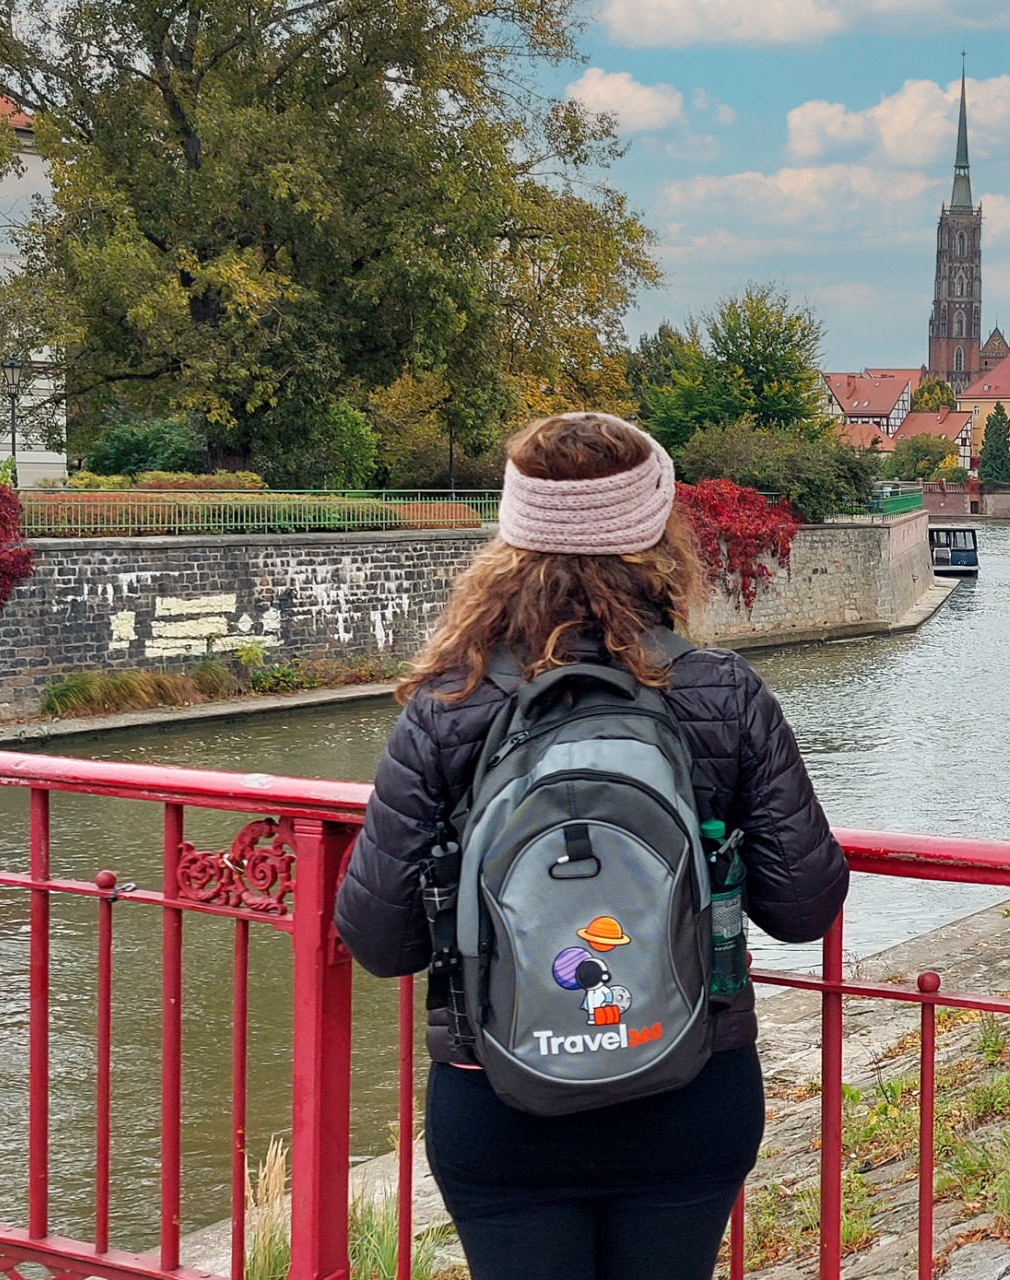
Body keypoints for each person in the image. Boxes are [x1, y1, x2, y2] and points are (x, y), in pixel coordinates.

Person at [334, 412, 849, 1280]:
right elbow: (802, 908)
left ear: (511, 533)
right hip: (690, 1084)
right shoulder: (719, 691)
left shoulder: (449, 704)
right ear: (657, 532)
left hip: (498, 1094)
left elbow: (380, 940)